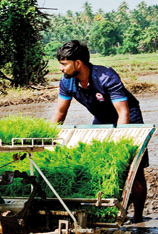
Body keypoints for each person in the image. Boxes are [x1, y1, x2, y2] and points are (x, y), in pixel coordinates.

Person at [52, 40, 148, 223]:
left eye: (64, 64)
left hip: (128, 117)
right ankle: (115, 212)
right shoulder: (67, 82)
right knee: (100, 165)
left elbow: (123, 112)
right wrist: (45, 137)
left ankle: (138, 218)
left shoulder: (106, 77)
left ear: (78, 63)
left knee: (133, 168)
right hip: (102, 118)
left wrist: (119, 143)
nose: (61, 68)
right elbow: (60, 112)